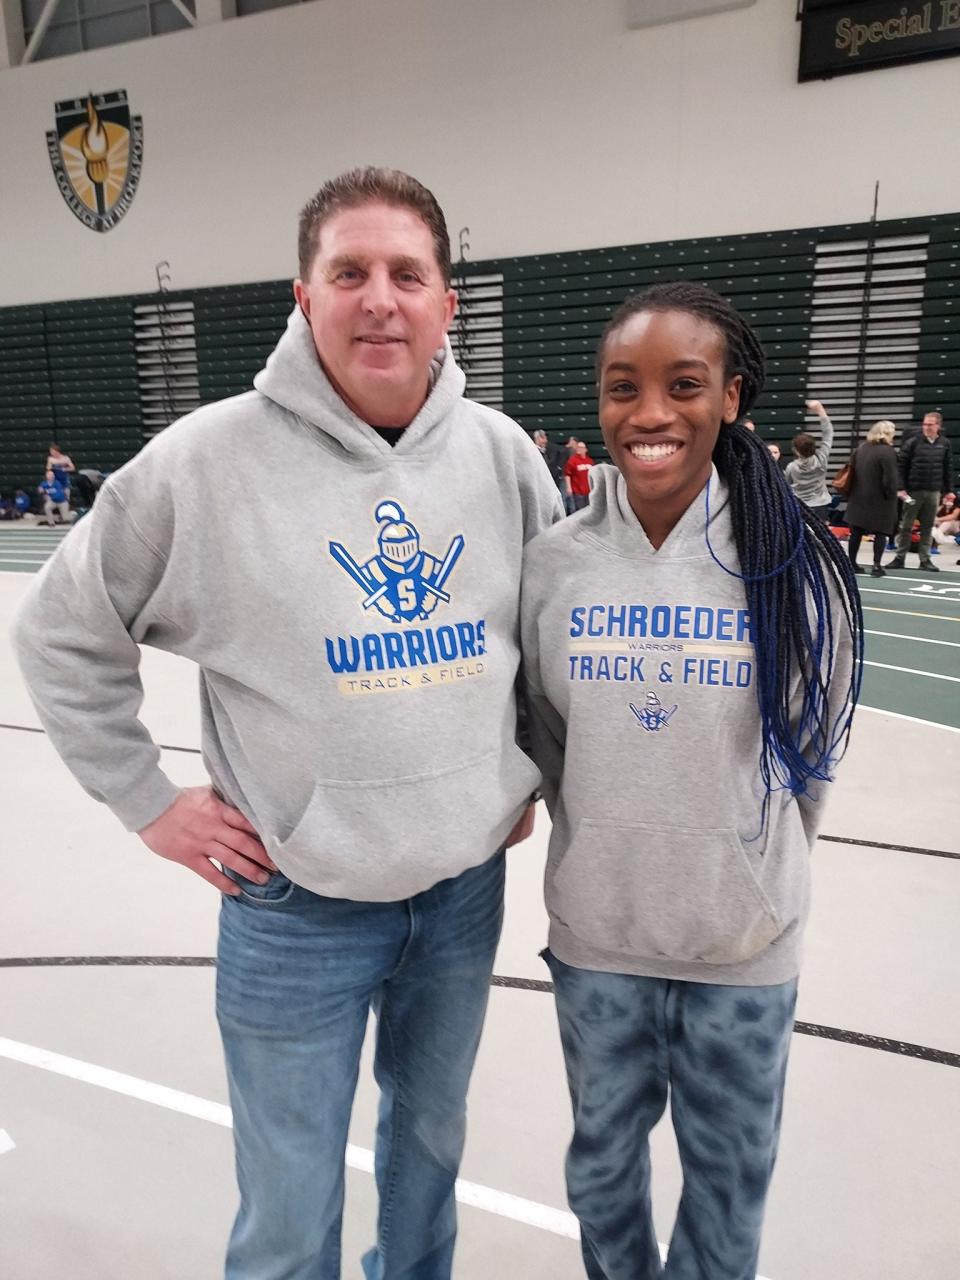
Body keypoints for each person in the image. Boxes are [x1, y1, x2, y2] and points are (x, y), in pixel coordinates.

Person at [14, 166, 562, 1280]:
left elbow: (547, 643)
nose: (380, 297)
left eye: (407, 273)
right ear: (303, 298)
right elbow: (61, 630)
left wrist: (525, 775)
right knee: (287, 1195)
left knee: (430, 1146)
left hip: (460, 899)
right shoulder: (204, 461)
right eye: (348, 271)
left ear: (447, 300)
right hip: (293, 905)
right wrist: (148, 800)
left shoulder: (503, 456)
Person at [521, 282, 862, 1280]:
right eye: (624, 387)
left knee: (724, 1203)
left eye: (683, 384)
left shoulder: (793, 564)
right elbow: (548, 737)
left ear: (731, 396)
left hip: (742, 954)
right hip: (600, 950)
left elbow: (812, 756)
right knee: (600, 1180)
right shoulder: (555, 564)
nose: (650, 412)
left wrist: (744, 866)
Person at [888, 412, 955, 572]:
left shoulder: (944, 444)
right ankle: (900, 557)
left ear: (938, 426)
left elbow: (947, 468)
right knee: (906, 525)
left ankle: (925, 559)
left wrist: (949, 491)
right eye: (925, 424)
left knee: (927, 526)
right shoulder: (912, 443)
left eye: (930, 424)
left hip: (934, 491)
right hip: (913, 491)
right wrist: (901, 488)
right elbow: (901, 468)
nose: (926, 427)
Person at [844, 420, 899, 577]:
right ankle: (876, 565)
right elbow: (890, 479)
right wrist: (891, 495)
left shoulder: (860, 449)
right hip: (880, 499)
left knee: (856, 531)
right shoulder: (888, 452)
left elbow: (851, 471)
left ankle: (852, 563)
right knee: (881, 532)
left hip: (858, 496)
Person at [784, 399, 835, 520]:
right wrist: (820, 410)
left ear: (796, 451)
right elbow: (828, 433)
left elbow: (787, 485)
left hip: (800, 505)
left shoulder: (792, 467)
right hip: (820, 505)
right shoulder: (821, 459)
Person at [563, 439, 595, 512]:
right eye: (578, 447)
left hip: (589, 490)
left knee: (589, 510)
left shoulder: (590, 461)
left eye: (581, 447)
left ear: (585, 449)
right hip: (578, 491)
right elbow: (567, 474)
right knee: (580, 510)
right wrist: (569, 487)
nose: (579, 449)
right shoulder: (572, 460)